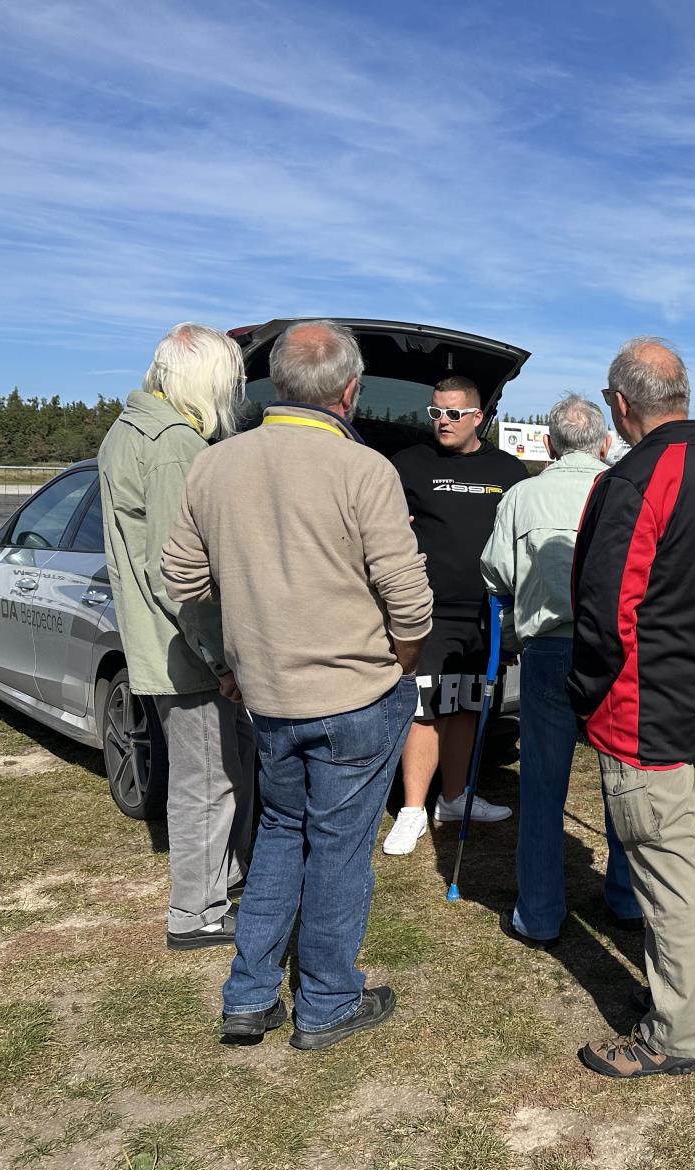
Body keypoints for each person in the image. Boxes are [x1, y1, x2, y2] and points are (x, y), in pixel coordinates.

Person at [162, 320, 432, 1050]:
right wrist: (403, 661)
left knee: (281, 834)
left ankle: (249, 996)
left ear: (277, 385)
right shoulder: (362, 468)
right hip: (355, 695)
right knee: (340, 848)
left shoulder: (214, 465)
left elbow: (181, 577)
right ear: (350, 391)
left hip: (269, 695)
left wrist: (230, 651)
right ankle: (327, 1002)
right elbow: (408, 596)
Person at [569, 337, 695, 1079]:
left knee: (670, 869)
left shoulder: (633, 481)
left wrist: (588, 694)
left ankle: (676, 1031)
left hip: (644, 709)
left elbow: (604, 608)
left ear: (621, 405)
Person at [96, 323, 254, 951]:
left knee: (227, 768)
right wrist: (221, 659)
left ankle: (227, 881)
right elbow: (180, 574)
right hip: (185, 650)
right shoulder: (172, 443)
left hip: (165, 642)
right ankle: (196, 911)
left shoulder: (131, 427)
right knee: (207, 781)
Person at [479, 394, 641, 946]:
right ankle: (625, 896)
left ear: (548, 445)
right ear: (603, 444)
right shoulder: (623, 489)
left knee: (543, 786)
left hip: (548, 650)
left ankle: (541, 912)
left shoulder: (524, 496)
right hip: (614, 650)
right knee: (622, 778)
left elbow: (496, 571)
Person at [380, 376, 524, 855]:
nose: (443, 421)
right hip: (426, 610)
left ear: (479, 417)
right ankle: (412, 809)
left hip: (485, 612)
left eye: (455, 413)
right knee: (423, 709)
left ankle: (456, 797)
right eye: (436, 412)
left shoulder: (508, 471)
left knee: (466, 704)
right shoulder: (409, 465)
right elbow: (379, 523)